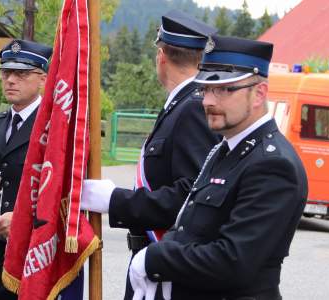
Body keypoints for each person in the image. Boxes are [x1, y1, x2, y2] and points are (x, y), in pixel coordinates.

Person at [128, 35, 308, 300]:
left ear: (259, 94)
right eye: (206, 89)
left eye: (224, 89)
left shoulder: (272, 164)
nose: (208, 101)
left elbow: (233, 262)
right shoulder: (224, 149)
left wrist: (156, 258)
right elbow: (188, 226)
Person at [81, 10, 219, 299]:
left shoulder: (191, 108)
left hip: (167, 268)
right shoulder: (179, 105)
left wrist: (114, 200)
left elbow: (190, 197)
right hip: (152, 260)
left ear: (161, 56)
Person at [0, 39, 52, 300]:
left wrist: (22, 221)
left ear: (42, 79)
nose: (11, 80)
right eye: (6, 72)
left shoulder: (55, 130)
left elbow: (65, 198)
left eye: (22, 73)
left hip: (39, 257)